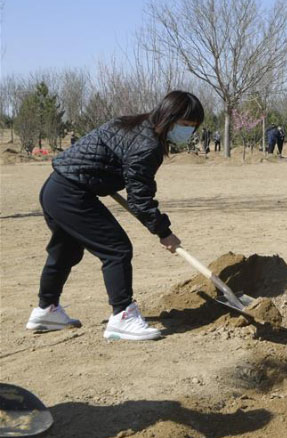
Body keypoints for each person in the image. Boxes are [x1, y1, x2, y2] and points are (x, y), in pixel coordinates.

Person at [26, 91, 203, 340]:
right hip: (71, 192)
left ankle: (47, 310)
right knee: (117, 249)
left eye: (193, 127)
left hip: (55, 188)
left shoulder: (133, 124)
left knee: (65, 250)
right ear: (168, 117)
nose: (188, 132)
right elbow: (140, 199)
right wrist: (164, 232)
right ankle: (122, 316)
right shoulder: (147, 145)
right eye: (184, 125)